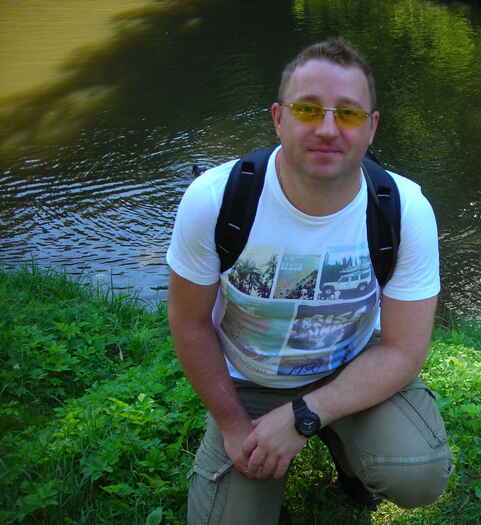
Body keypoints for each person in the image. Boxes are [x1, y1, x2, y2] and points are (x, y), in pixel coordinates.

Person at [167, 38, 452, 525]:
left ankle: (340, 439)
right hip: (249, 380)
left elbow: (404, 350)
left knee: (418, 474)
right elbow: (190, 323)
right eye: (307, 109)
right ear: (278, 118)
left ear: (371, 127)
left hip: (351, 366)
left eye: (348, 113)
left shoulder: (405, 208)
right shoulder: (215, 199)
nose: (327, 129)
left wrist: (305, 415)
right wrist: (233, 425)